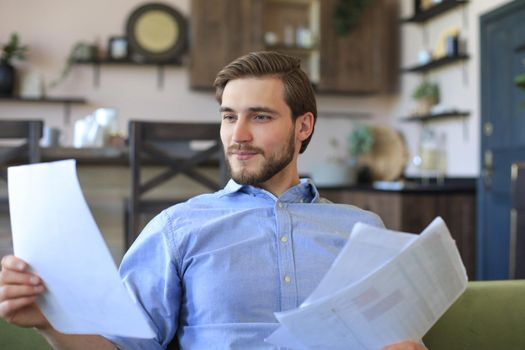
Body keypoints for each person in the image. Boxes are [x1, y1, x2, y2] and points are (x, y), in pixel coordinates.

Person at [0, 51, 425, 350]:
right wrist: (47, 322)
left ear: (303, 126)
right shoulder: (178, 228)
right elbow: (123, 345)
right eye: (228, 117)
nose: (237, 136)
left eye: (260, 116)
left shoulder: (362, 230)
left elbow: (399, 338)